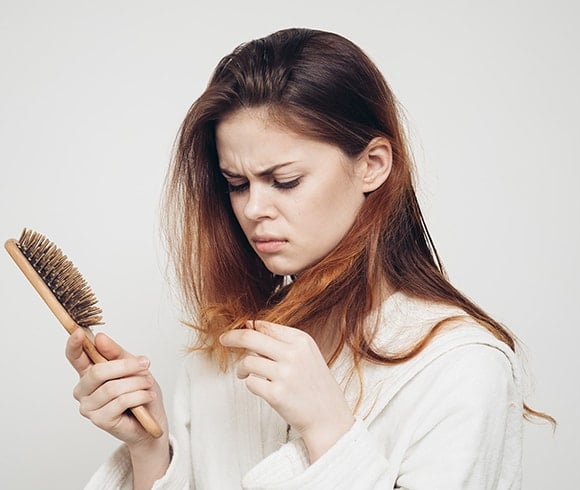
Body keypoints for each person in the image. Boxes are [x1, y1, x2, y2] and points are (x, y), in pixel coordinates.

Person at [66, 27, 551, 489]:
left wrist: (327, 427)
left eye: (285, 181)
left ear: (372, 165)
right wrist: (149, 451)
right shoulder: (225, 356)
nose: (254, 209)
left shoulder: (459, 365)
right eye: (236, 185)